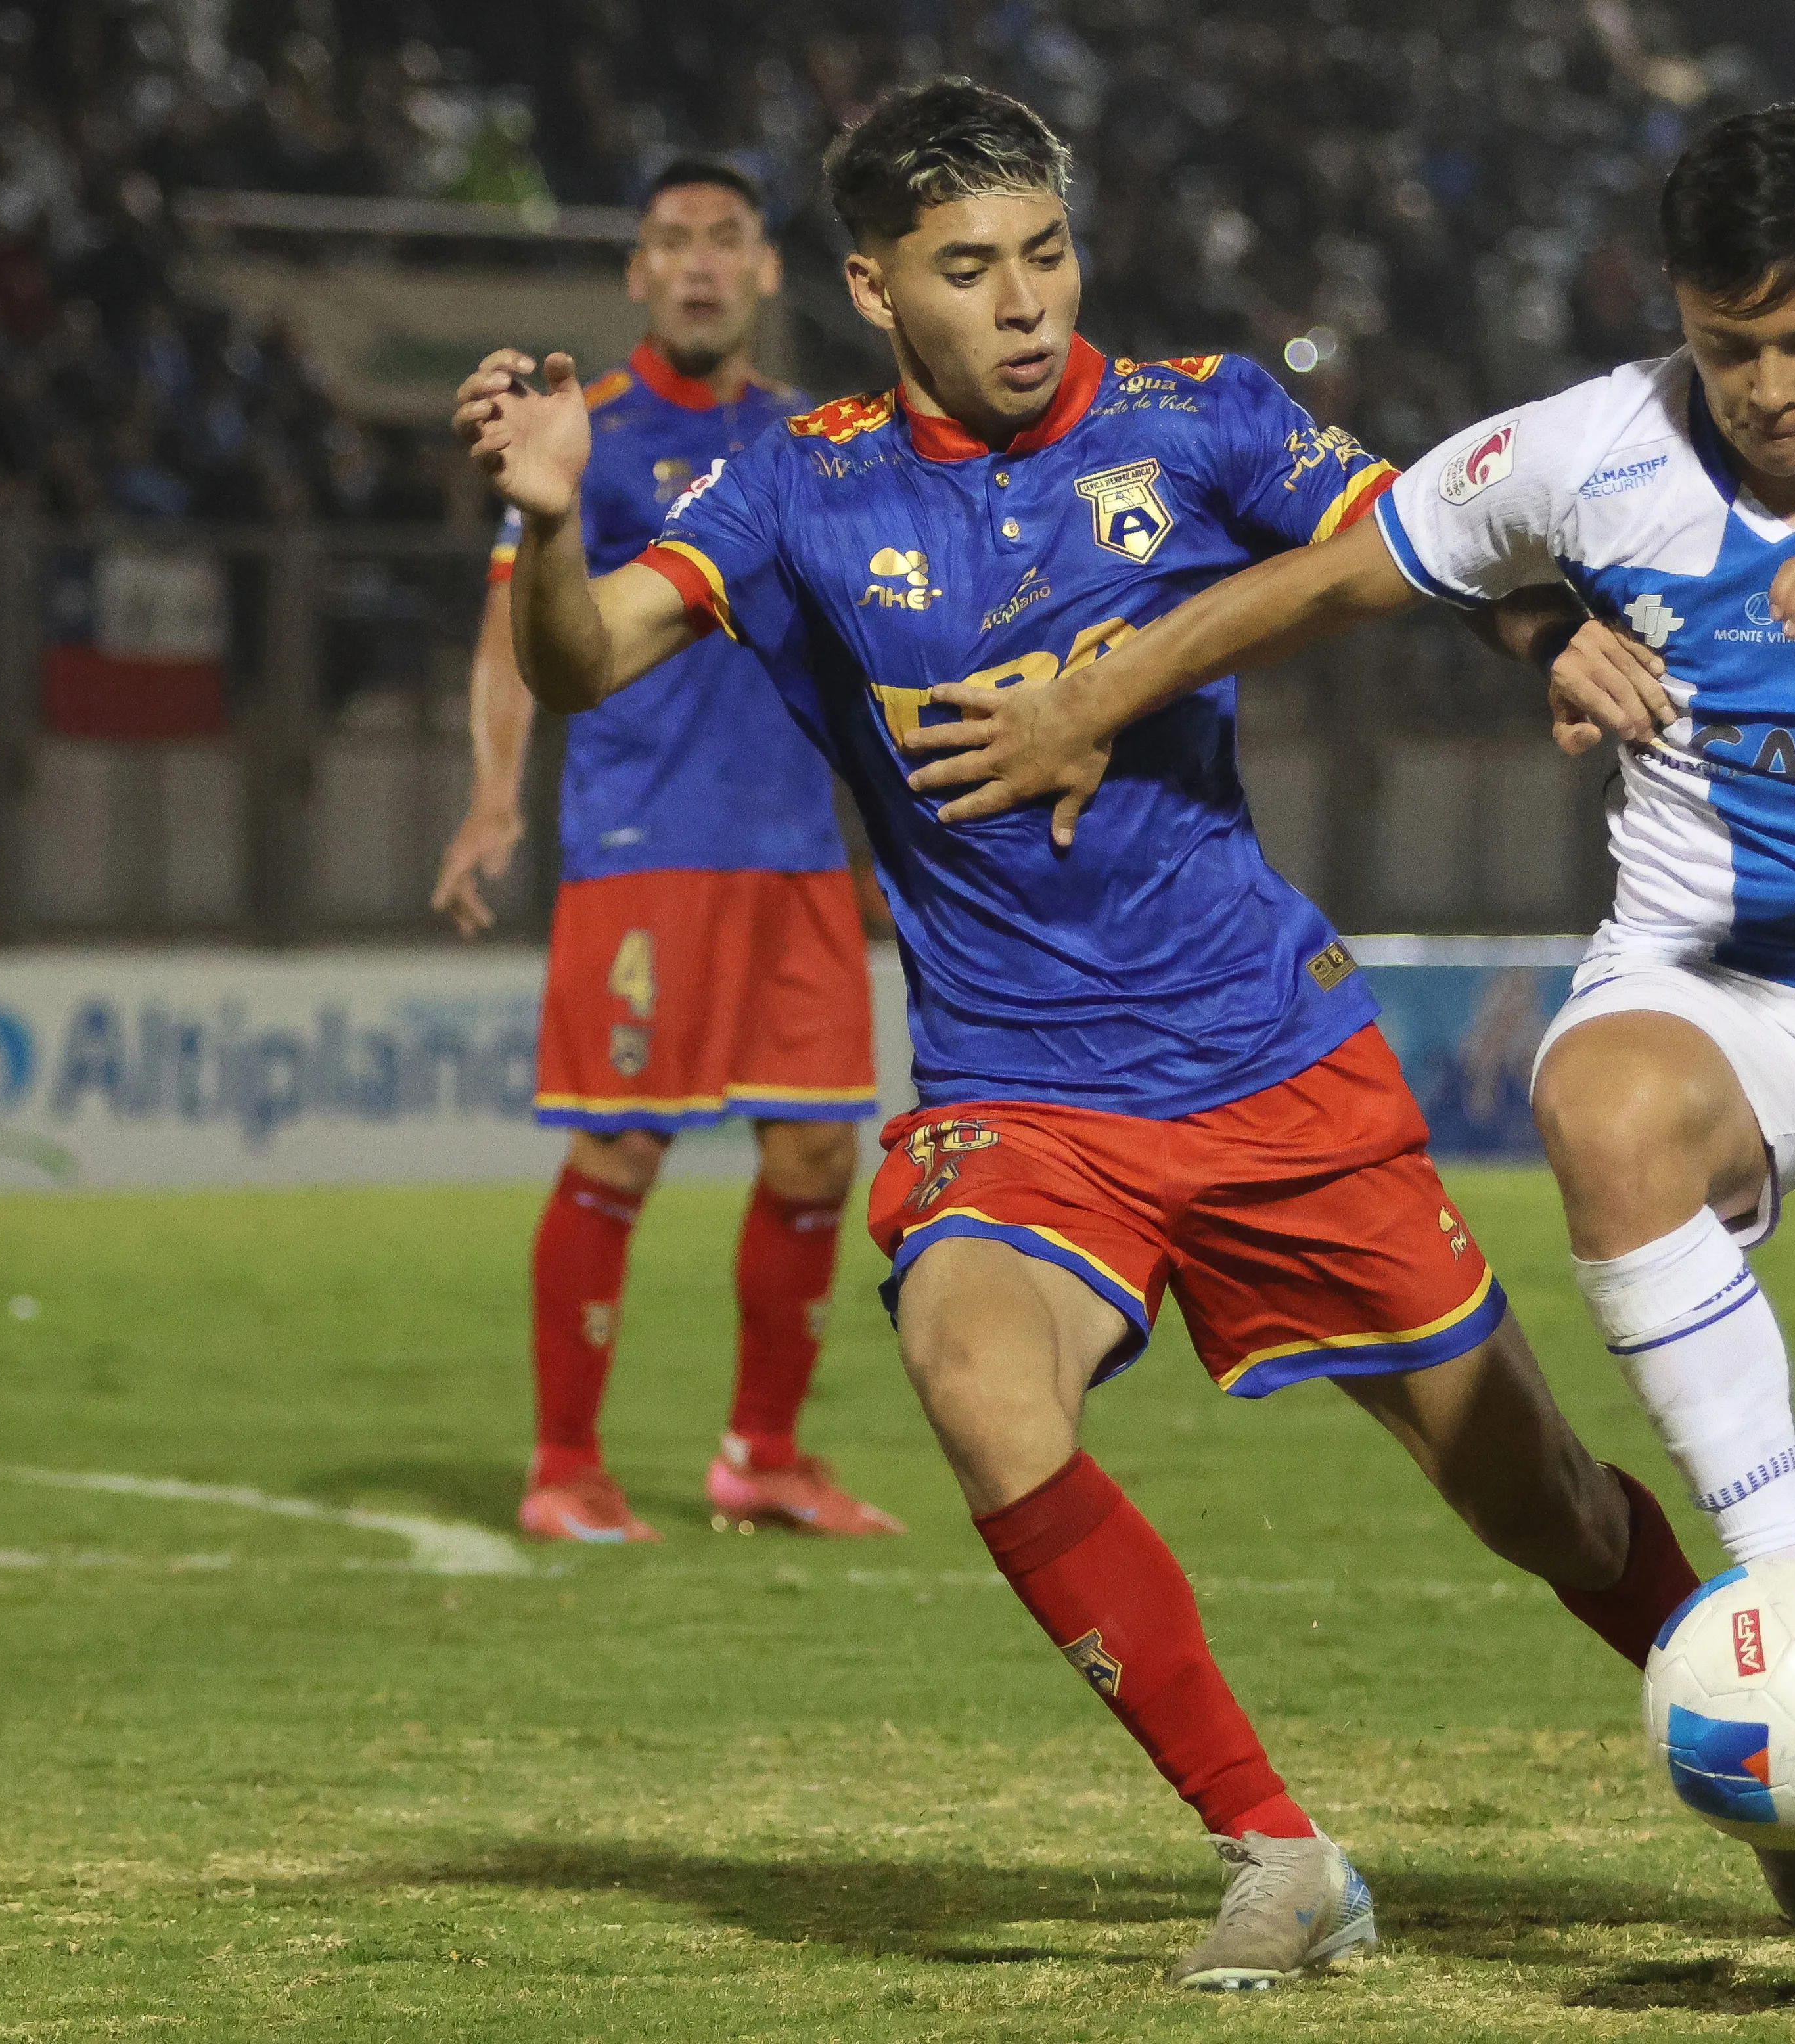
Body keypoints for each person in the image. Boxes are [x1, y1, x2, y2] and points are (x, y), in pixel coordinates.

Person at [905, 95, 1795, 1975]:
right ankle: (1786, 1589)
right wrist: (1101, 696)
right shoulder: (1586, 447)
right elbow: (1336, 569)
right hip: (1702, 964)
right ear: (1679, 315)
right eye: (1730, 347)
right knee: (1600, 1100)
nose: (1770, 386)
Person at [453, 79, 1713, 1992]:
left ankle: (1762, 1737)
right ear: (874, 286)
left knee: (1531, 1491)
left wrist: (1547, 636)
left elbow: (1414, 535)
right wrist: (549, 527)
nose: (1026, 299)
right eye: (971, 268)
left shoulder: (1195, 411)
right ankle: (1275, 1848)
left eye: (1045, 250)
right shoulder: (800, 480)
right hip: (1021, 1090)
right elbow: (581, 657)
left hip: (1268, 1061)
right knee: (973, 1369)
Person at [428, 156, 901, 1547]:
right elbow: (514, 625)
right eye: (671, 241)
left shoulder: (814, 438)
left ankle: (761, 1455)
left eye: (725, 240)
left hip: (794, 852)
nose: (698, 263)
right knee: (621, 1148)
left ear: (764, 270)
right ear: (636, 274)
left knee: (820, 1154)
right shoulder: (590, 433)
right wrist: (497, 794)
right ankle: (563, 1463)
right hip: (642, 848)